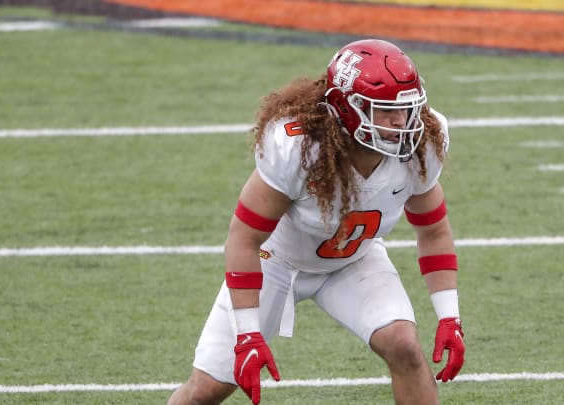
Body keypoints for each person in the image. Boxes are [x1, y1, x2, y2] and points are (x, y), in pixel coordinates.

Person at [168, 38, 465, 405]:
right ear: (346, 108)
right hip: (276, 261)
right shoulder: (298, 147)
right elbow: (244, 238)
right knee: (206, 390)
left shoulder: (422, 142)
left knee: (403, 345)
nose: (400, 122)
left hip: (353, 259)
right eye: (383, 110)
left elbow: (433, 230)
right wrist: (247, 335)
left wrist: (450, 317)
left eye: (405, 109)